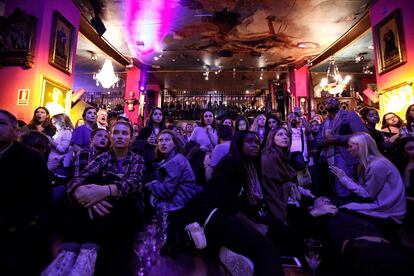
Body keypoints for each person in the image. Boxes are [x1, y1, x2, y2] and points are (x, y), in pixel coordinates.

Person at [170, 130, 284, 275]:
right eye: (250, 141)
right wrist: (255, 226)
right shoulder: (231, 164)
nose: (255, 145)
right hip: (212, 215)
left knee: (277, 228)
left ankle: (237, 252)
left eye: (257, 142)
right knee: (266, 249)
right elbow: (227, 204)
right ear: (238, 144)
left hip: (228, 213)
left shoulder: (249, 165)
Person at [45, 121, 145, 275]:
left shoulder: (137, 159)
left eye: (124, 133)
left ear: (131, 138)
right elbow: (79, 178)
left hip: (127, 211)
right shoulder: (103, 157)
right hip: (99, 210)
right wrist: (81, 192)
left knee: (106, 180)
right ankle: (71, 254)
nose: (119, 136)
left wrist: (104, 190)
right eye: (116, 133)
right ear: (110, 136)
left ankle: (85, 255)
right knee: (86, 186)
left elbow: (134, 183)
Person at [0, 109, 52, 275]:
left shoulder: (32, 158)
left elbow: (41, 199)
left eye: (1, 123)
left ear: (16, 132)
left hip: (18, 229)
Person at [318, 97, 366, 198]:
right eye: (326, 101)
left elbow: (362, 134)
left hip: (345, 155)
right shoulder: (325, 122)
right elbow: (318, 140)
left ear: (339, 103)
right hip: (329, 158)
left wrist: (339, 138)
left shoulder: (349, 116)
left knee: (345, 189)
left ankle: (348, 207)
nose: (329, 102)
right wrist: (326, 141)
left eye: (332, 100)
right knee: (334, 189)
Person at [145, 129, 201, 212]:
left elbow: (167, 191)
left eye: (167, 140)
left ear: (174, 144)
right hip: (181, 199)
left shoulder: (175, 161)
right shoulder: (172, 158)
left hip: (178, 204)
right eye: (160, 140)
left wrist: (150, 185)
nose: (163, 143)